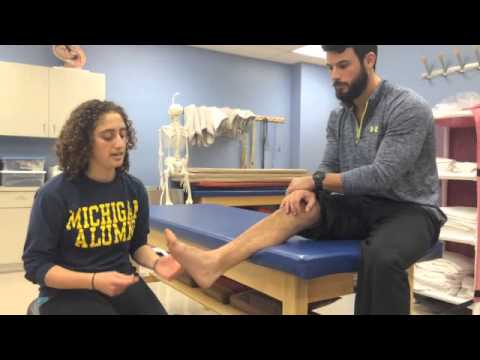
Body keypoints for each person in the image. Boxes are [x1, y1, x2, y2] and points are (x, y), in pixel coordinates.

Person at [162, 45, 447, 315]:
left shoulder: (407, 106)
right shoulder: (339, 116)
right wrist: (308, 191)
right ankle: (213, 263)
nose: (335, 75)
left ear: (369, 60)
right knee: (297, 208)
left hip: (410, 211)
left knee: (382, 258)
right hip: (359, 206)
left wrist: (316, 181)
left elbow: (381, 175)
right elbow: (328, 165)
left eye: (343, 65)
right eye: (330, 67)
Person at [23, 99, 180, 315]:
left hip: (121, 281)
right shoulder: (54, 195)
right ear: (84, 143)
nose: (119, 143)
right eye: (108, 136)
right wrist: (94, 280)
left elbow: (137, 246)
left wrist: (156, 262)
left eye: (123, 135)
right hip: (68, 291)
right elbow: (36, 265)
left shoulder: (134, 189)